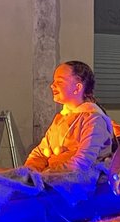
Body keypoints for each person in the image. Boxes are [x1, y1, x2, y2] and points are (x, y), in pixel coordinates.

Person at [25, 61, 114, 197]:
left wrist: (49, 174)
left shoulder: (94, 119)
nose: (52, 85)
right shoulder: (62, 117)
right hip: (52, 178)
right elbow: (40, 152)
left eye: (59, 82)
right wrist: (30, 171)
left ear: (77, 88)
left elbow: (82, 162)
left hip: (79, 184)